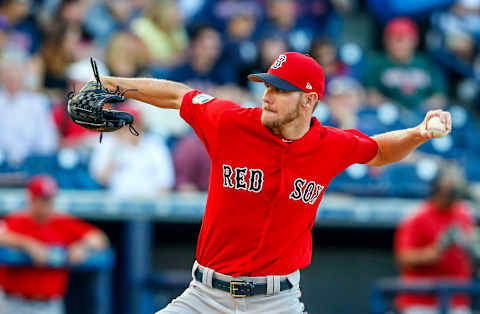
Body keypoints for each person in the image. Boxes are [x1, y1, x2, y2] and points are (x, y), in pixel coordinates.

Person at [93, 51, 451, 313]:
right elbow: (177, 95)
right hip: (204, 297)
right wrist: (112, 84)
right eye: (267, 85)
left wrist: (418, 132)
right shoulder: (230, 122)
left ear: (309, 100)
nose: (267, 95)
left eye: (280, 90)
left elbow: (380, 150)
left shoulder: (330, 146)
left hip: (276, 302)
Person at [0, 174, 109, 314]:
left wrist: (82, 246)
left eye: (50, 199)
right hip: (15, 303)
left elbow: (100, 238)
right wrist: (27, 244)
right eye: (43, 200)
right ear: (32, 199)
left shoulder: (62, 222)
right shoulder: (16, 220)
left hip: (50, 305)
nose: (47, 205)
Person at [394, 164, 474, 314]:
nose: (451, 192)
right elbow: (404, 258)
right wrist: (437, 249)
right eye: (447, 187)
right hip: (421, 300)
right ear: (437, 189)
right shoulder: (417, 217)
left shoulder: (464, 215)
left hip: (456, 299)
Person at [365, 17, 448, 111]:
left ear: (415, 40)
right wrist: (396, 108)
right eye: (395, 39)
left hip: (422, 115)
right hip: (388, 116)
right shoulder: (376, 63)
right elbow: (371, 95)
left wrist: (421, 109)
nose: (400, 44)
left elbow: (440, 97)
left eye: (405, 39)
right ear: (386, 40)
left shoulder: (426, 63)